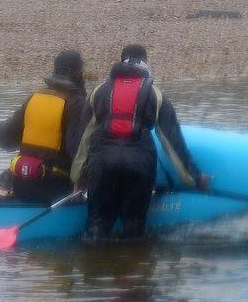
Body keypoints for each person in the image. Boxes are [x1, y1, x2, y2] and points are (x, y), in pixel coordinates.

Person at [71, 44, 207, 241]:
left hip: (102, 163)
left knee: (96, 228)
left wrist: (78, 176)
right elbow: (173, 143)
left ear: (121, 61)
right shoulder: (155, 94)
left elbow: (84, 138)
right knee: (133, 230)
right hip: (139, 163)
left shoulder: (99, 92)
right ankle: (133, 265)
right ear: (145, 64)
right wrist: (194, 178)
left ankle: (93, 266)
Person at [0, 49, 91, 202]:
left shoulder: (34, 97)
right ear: (78, 73)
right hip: (54, 189)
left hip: (21, 183)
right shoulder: (77, 103)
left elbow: (3, 138)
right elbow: (78, 153)